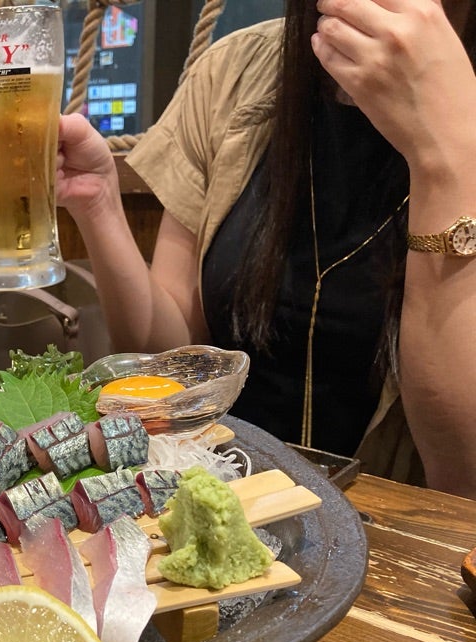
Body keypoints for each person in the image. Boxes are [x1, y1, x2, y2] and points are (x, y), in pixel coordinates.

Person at [56, 0, 476, 498]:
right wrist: (99, 205)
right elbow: (170, 357)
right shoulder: (236, 70)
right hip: (224, 494)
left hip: (397, 529)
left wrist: (448, 157)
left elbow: (461, 480)